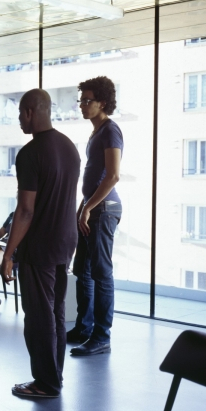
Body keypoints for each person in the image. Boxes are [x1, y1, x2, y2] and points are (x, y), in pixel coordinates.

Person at [0, 89, 80, 398]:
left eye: (21, 113)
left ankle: (45, 383)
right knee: (56, 311)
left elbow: (26, 210)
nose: (19, 119)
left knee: (38, 316)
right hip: (65, 241)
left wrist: (9, 254)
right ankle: (54, 376)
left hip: (41, 246)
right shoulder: (69, 147)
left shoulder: (30, 154)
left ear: (31, 111)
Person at [67, 76, 123, 356]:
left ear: (103, 103)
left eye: (88, 100)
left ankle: (102, 336)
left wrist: (88, 207)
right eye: (81, 100)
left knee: (101, 273)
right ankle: (84, 328)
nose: (82, 105)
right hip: (92, 209)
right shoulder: (96, 132)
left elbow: (113, 175)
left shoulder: (111, 131)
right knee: (83, 271)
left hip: (104, 210)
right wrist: (82, 207)